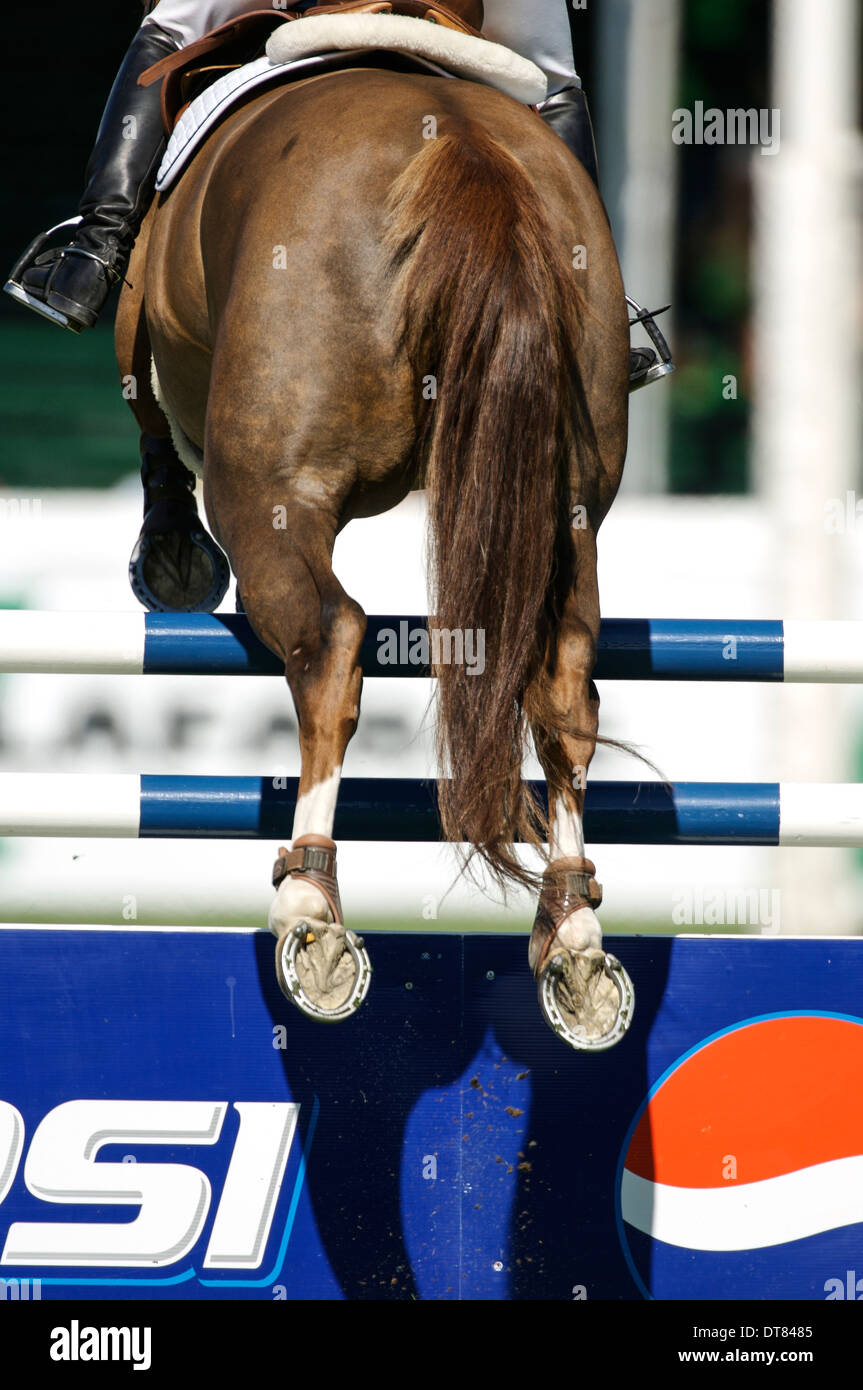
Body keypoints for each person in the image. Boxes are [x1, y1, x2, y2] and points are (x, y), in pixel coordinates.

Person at [4, 0, 667, 609]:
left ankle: (97, 244)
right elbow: (547, 77)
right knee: (552, 84)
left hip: (311, 21)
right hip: (456, 26)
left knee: (170, 30)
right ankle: (594, 305)